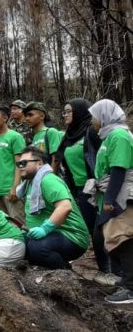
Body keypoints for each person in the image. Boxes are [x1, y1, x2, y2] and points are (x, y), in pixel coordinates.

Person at [56, 99, 112, 284]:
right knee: (92, 231)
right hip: (80, 191)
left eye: (68, 111)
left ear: (80, 112)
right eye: (63, 112)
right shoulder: (68, 136)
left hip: (98, 189)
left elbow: (105, 157)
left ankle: (110, 272)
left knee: (102, 231)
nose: (64, 115)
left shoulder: (91, 132)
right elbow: (59, 159)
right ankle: (106, 269)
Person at [88, 99, 133, 303]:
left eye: (95, 115)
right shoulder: (108, 136)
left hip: (121, 194)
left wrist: (109, 198)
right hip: (111, 193)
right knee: (110, 238)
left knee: (122, 239)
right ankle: (126, 280)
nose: (93, 120)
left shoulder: (119, 136)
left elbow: (119, 169)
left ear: (105, 116)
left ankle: (131, 289)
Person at [17, 147, 90, 269]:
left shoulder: (48, 180)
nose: (20, 166)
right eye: (18, 163)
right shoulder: (30, 183)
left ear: (39, 163)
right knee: (18, 242)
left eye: (24, 163)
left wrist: (45, 229)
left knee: (37, 248)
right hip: (53, 235)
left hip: (72, 236)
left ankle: (64, 274)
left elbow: (65, 207)